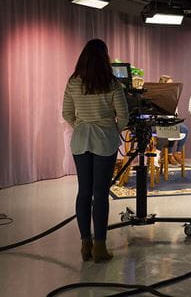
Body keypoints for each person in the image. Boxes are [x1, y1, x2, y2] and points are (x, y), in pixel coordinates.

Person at [62, 39, 129, 263]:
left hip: (80, 141)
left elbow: (67, 113)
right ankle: (100, 247)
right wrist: (110, 130)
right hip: (104, 142)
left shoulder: (73, 82)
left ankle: (85, 245)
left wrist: (82, 126)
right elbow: (124, 116)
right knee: (101, 194)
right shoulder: (112, 84)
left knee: (84, 191)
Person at [155, 75, 188, 165]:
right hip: (161, 120)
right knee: (171, 129)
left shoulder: (173, 96)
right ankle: (168, 154)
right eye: (169, 84)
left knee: (184, 129)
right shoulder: (157, 95)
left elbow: (175, 111)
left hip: (172, 119)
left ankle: (177, 153)